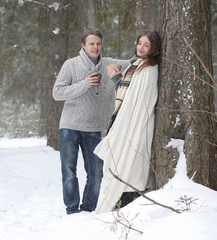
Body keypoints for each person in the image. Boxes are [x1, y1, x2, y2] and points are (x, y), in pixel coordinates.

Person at [53, 28, 129, 214]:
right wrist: (85, 83)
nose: (95, 47)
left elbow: (133, 64)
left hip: (94, 128)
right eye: (91, 44)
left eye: (98, 43)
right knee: (69, 172)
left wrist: (149, 55)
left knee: (96, 174)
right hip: (70, 126)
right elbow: (57, 93)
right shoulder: (70, 65)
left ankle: (87, 210)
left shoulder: (110, 64)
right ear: (83, 45)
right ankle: (72, 210)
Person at [93, 30, 162, 213]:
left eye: (146, 45)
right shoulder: (136, 65)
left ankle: (124, 205)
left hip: (134, 125)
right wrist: (117, 78)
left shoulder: (148, 69)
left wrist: (124, 126)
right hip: (124, 120)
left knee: (128, 164)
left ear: (153, 48)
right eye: (139, 43)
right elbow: (128, 96)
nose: (141, 47)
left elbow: (139, 103)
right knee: (115, 162)